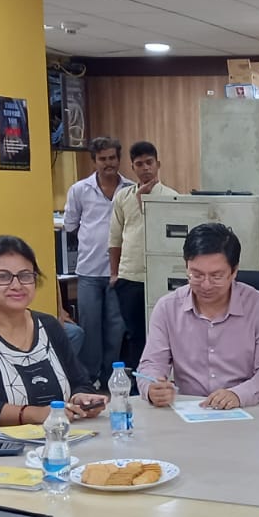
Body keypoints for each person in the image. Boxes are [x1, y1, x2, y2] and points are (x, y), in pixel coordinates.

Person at [0, 235, 109, 451]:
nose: (16, 285)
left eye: (25, 276)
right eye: (3, 277)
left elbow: (80, 381)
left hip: (52, 444)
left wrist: (81, 398)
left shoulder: (49, 325)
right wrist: (39, 414)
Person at [137, 222, 259, 410]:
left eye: (216, 276)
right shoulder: (167, 308)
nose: (205, 285)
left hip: (248, 410)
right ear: (186, 267)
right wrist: (152, 387)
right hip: (190, 411)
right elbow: (151, 364)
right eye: (196, 275)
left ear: (234, 271)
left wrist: (238, 395)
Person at [62, 135, 130, 384]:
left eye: (112, 158)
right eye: (102, 159)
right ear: (94, 161)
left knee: (115, 328)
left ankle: (111, 376)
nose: (108, 163)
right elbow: (70, 225)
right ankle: (88, 379)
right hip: (89, 270)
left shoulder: (130, 189)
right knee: (89, 327)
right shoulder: (79, 190)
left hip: (120, 271)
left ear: (119, 159)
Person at [107, 140, 177, 372]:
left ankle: (162, 380)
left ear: (158, 164)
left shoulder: (171, 197)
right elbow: (115, 238)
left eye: (149, 162)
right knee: (135, 335)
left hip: (161, 277)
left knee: (162, 333)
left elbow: (166, 236)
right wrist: (114, 274)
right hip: (130, 276)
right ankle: (139, 384)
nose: (145, 168)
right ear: (132, 167)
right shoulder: (122, 196)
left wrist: (143, 201)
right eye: (139, 164)